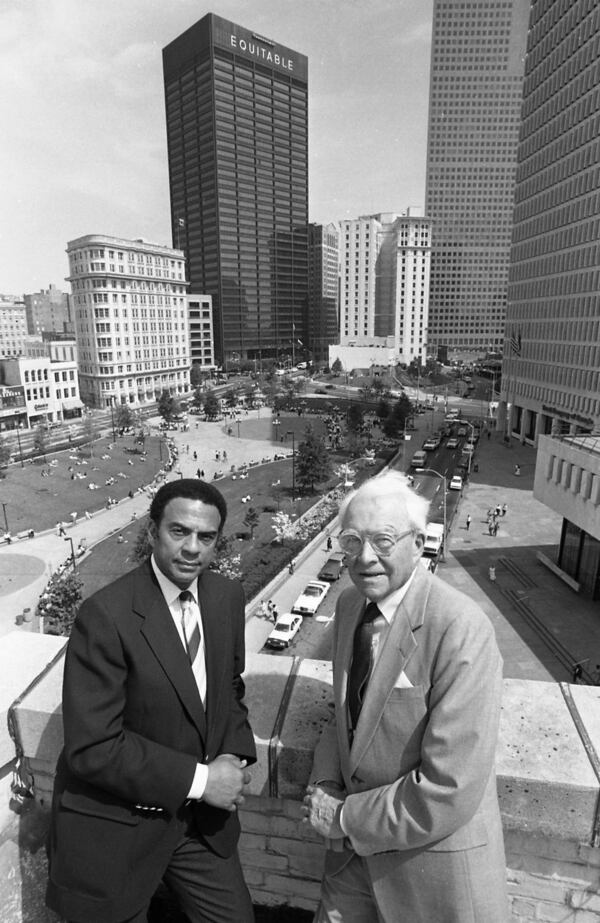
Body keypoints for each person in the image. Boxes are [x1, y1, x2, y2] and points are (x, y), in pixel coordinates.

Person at [46, 479, 256, 923]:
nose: (192, 549)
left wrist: (234, 757)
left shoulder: (225, 597)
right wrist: (202, 781)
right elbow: (93, 747)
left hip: (200, 827)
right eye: (179, 532)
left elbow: (228, 688)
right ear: (152, 531)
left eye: (206, 537)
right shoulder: (105, 615)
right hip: (119, 826)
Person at [303, 472, 507, 922]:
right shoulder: (350, 606)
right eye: (353, 541)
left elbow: (451, 785)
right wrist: (322, 786)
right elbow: (344, 718)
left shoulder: (460, 627)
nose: (366, 557)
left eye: (383, 539)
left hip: (429, 875)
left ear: (418, 543)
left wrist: (343, 818)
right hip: (350, 867)